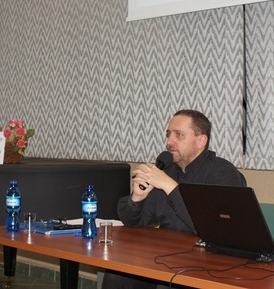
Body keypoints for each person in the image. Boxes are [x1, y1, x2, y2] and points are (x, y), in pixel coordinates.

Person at [101, 109, 246, 289]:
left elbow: (215, 230)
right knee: (118, 275)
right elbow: (132, 221)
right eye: (168, 134)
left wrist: (169, 186)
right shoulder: (168, 171)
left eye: (179, 135)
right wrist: (137, 197)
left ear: (201, 141)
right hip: (167, 255)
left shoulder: (223, 175)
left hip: (209, 263)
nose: (169, 142)